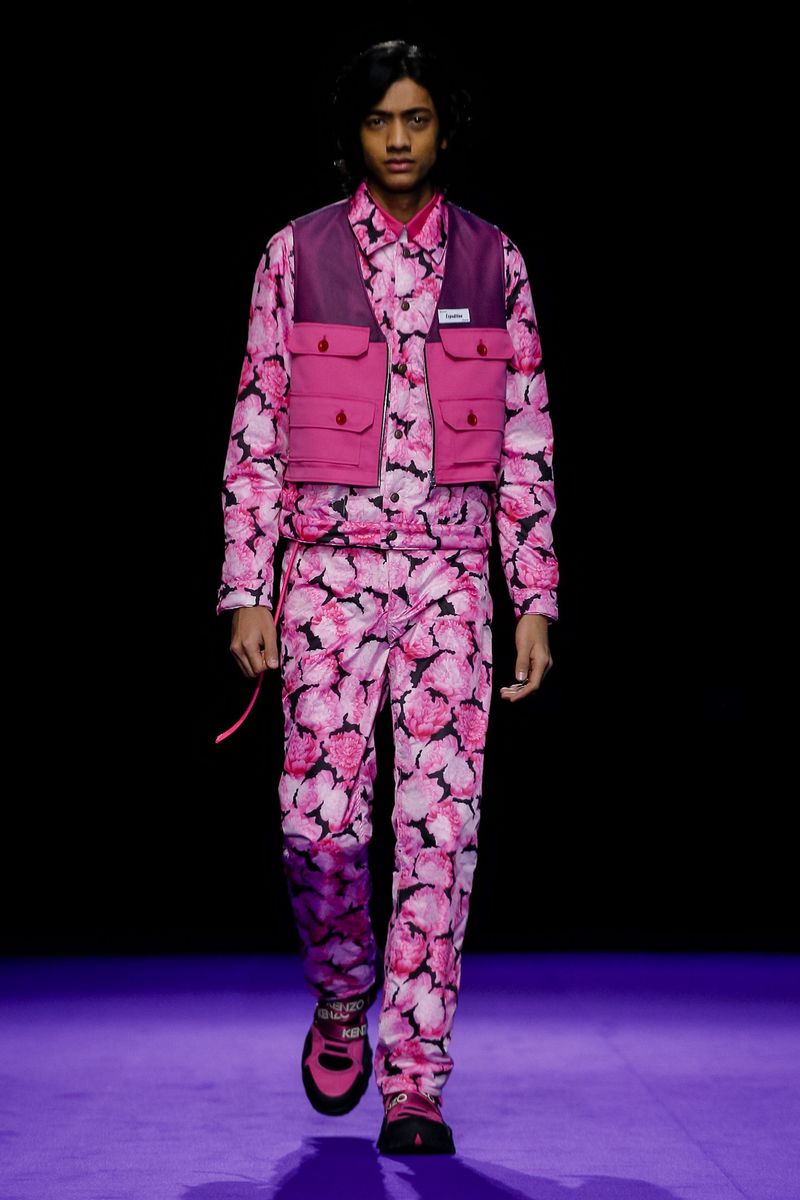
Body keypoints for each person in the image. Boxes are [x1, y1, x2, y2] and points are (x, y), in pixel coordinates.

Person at [215, 39, 559, 1156]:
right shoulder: (294, 254)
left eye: (416, 117)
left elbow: (525, 440)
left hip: (451, 579)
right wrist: (246, 585)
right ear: (354, 134)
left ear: (443, 128)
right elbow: (257, 429)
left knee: (439, 833)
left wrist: (533, 595)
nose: (399, 138)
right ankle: (341, 987)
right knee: (314, 826)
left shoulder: (494, 261)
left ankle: (416, 1082)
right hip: (325, 573)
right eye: (379, 120)